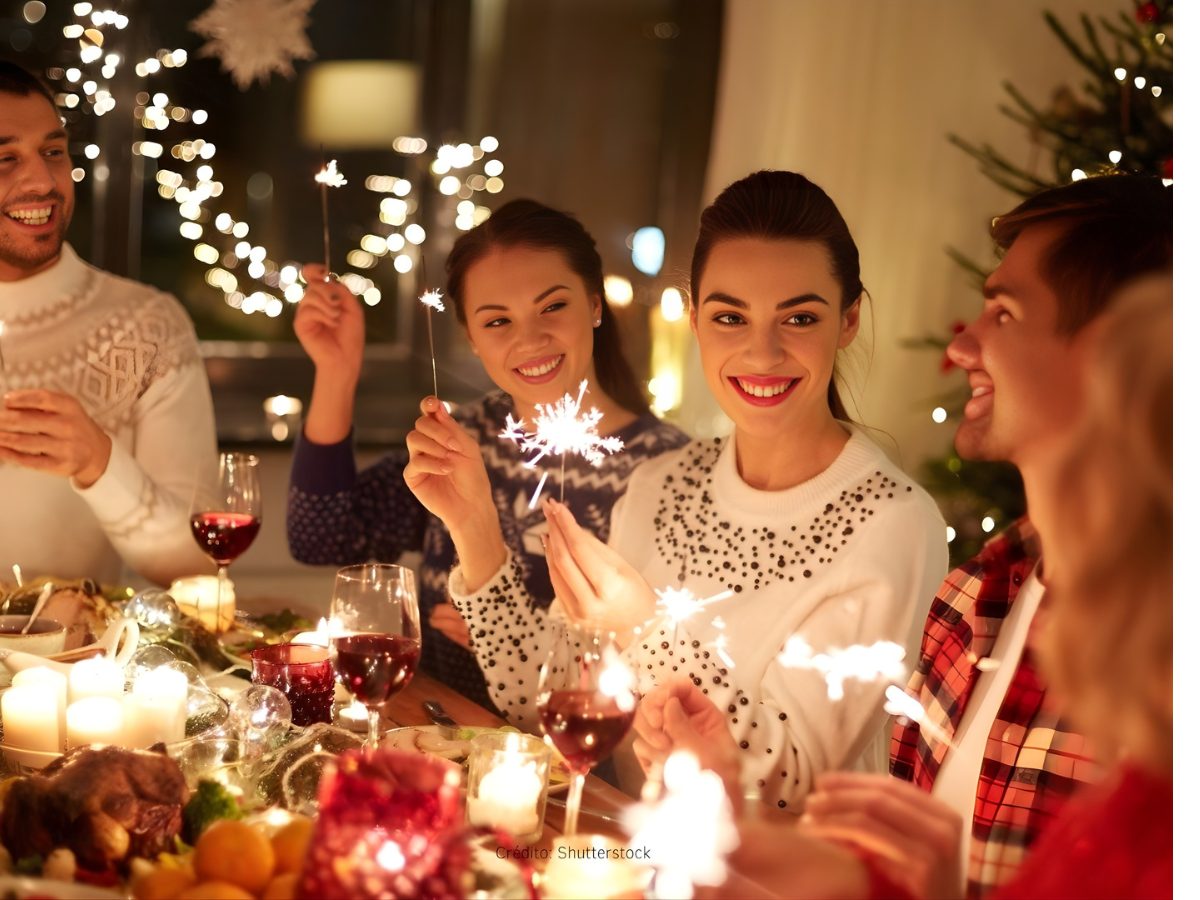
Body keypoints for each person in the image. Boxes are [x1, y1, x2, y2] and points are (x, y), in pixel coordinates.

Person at [638, 174, 1172, 896]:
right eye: (730, 317)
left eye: (1005, 316)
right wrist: (739, 828)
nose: (961, 345)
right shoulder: (975, 597)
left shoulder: (1159, 654)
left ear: (1114, 351)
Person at [446, 171, 948, 808]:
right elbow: (542, 701)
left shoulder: (893, 524)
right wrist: (473, 527)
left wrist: (645, 627)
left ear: (848, 320)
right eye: (731, 317)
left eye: (798, 317)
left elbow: (787, 788)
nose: (761, 353)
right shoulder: (662, 481)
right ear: (696, 320)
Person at [286, 199, 687, 710]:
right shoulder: (462, 436)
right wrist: (337, 371)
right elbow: (321, 537)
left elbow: (665, 669)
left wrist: (506, 634)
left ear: (594, 304)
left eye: (553, 306)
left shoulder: (668, 470)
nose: (531, 338)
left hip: (570, 769)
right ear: (471, 338)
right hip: (435, 735)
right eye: (497, 322)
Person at [0, 62, 216, 586]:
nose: (43, 181)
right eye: (5, 159)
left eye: (53, 152)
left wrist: (99, 462)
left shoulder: (145, 328)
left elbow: (197, 563)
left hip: (73, 662)